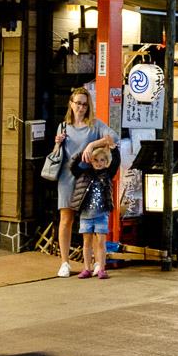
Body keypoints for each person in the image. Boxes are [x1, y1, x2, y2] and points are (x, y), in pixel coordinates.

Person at [53, 87, 118, 277]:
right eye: (77, 103)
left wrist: (93, 144)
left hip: (89, 180)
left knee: (94, 220)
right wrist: (57, 142)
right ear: (71, 104)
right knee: (66, 218)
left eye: (84, 103)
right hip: (67, 177)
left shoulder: (95, 125)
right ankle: (65, 262)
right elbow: (57, 153)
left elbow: (113, 136)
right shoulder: (63, 126)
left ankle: (98, 263)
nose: (80, 107)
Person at [70, 144, 121, 278]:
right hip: (85, 214)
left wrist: (114, 149)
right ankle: (87, 268)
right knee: (86, 242)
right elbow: (72, 166)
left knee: (101, 242)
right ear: (91, 161)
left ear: (106, 162)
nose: (99, 163)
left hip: (101, 213)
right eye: (96, 160)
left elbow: (116, 162)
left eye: (102, 160)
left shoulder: (108, 174)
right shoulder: (84, 174)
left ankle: (101, 267)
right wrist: (83, 154)